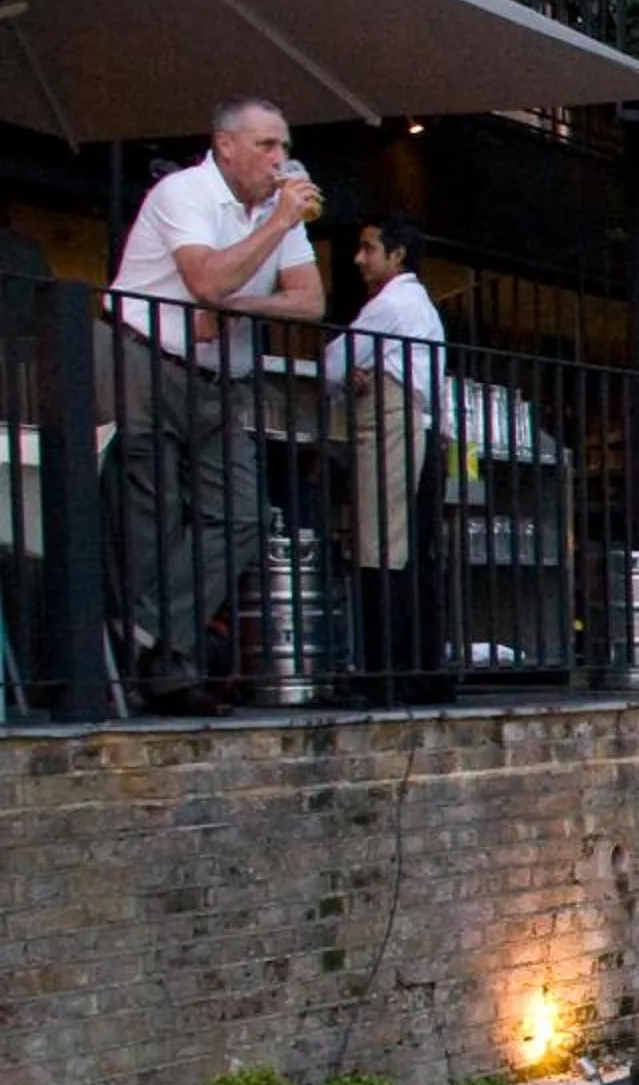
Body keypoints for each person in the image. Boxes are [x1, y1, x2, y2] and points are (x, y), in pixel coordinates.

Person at [105, 96, 324, 716]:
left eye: (283, 145)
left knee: (244, 513)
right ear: (225, 145)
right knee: (152, 514)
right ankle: (167, 674)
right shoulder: (185, 192)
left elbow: (309, 301)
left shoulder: (280, 210)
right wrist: (276, 226)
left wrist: (237, 307)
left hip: (219, 378)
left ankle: (144, 633)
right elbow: (205, 279)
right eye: (266, 145)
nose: (280, 159)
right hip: (145, 358)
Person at [320, 216, 449, 698]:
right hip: (418, 424)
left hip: (393, 424)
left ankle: (383, 672)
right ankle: (416, 669)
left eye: (369, 248)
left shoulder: (391, 303)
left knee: (381, 546)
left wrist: (347, 370)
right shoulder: (418, 305)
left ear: (397, 256)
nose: (359, 258)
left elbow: (332, 361)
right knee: (410, 548)